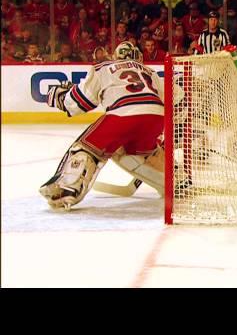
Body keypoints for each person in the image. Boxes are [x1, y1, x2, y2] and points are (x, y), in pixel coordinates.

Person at [40, 41, 164, 209]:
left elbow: (80, 102)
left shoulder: (103, 67)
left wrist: (60, 97)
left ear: (115, 56)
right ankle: (175, 179)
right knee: (141, 152)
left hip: (122, 115)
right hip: (157, 117)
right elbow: (171, 99)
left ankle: (67, 189)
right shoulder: (150, 71)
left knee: (86, 147)